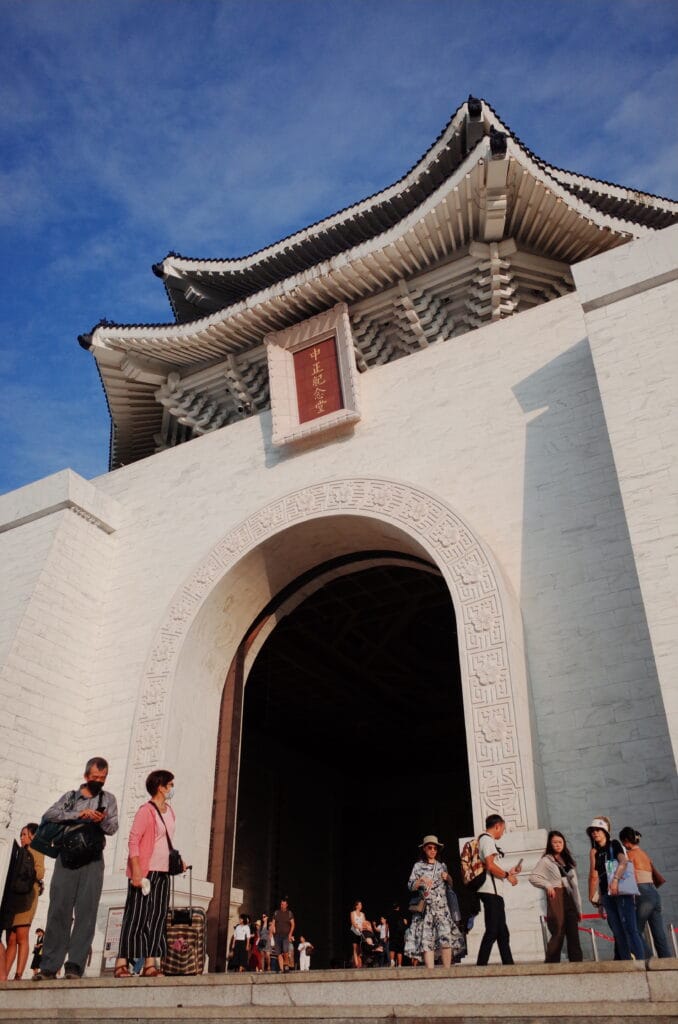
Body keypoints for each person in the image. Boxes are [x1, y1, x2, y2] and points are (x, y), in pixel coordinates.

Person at [34, 756, 118, 980]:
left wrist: (100, 819)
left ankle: (74, 965)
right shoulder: (71, 798)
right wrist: (79, 814)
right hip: (67, 858)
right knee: (59, 910)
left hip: (93, 860)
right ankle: (49, 966)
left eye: (103, 778)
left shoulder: (108, 799)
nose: (99, 781)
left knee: (87, 912)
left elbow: (113, 828)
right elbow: (49, 815)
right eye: (95, 777)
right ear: (86, 776)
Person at [113, 769, 180, 978]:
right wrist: (136, 870)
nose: (173, 788)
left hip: (164, 871)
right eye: (170, 784)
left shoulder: (170, 811)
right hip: (144, 871)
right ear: (161, 787)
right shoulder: (146, 810)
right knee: (136, 915)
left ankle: (150, 963)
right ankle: (121, 962)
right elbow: (133, 840)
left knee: (158, 916)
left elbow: (166, 841)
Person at [586, 815, 645, 961]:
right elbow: (599, 877)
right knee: (617, 932)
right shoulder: (596, 852)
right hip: (607, 896)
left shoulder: (614, 844)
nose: (595, 833)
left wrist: (615, 880)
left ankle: (641, 961)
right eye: (592, 831)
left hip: (621, 891)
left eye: (598, 830)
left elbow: (623, 862)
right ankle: (626, 962)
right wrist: (600, 903)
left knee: (630, 929)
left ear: (605, 831)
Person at [404, 834, 465, 969]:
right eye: (430, 848)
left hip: (442, 909)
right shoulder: (418, 866)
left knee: (446, 938)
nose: (433, 850)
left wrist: (447, 877)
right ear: (424, 849)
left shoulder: (442, 866)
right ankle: (430, 973)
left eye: (435, 848)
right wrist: (420, 880)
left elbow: (450, 885)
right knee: (427, 942)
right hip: (425, 911)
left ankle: (447, 971)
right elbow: (410, 886)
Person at [529, 830, 583, 963]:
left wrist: (579, 908)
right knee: (558, 930)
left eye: (560, 842)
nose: (558, 845)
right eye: (554, 842)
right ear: (550, 844)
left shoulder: (568, 861)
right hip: (556, 895)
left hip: (569, 897)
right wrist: (547, 885)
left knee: (573, 933)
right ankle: (551, 963)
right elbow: (533, 877)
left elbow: (575, 887)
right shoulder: (546, 860)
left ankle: (577, 964)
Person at [619, 826, 671, 959]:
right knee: (659, 933)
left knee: (634, 930)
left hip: (642, 892)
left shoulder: (629, 855)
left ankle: (649, 958)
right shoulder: (644, 854)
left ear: (626, 841)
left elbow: (630, 876)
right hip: (654, 892)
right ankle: (667, 961)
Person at [476, 815, 521, 966]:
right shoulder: (487, 840)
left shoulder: (486, 840)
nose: (503, 832)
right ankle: (481, 965)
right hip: (490, 892)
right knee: (493, 930)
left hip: (494, 891)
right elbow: (490, 865)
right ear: (497, 826)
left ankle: (508, 964)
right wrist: (507, 876)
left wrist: (509, 871)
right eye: (503, 828)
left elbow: (492, 866)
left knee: (502, 932)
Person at [5, 824, 45, 979]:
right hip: (13, 898)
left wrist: (27, 871)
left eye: (24, 834)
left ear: (32, 836)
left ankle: (19, 974)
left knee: (22, 935)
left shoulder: (36, 850)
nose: (21, 837)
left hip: (27, 897)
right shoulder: (19, 852)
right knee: (11, 938)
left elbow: (40, 873)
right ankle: (4, 975)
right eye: (21, 835)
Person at [271, 896, 295, 973]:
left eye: (284, 904)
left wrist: (290, 934)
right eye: (281, 904)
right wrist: (271, 933)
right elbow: (273, 923)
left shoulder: (289, 913)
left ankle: (286, 965)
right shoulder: (276, 913)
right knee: (278, 953)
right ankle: (281, 969)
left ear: (286, 905)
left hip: (286, 936)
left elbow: (293, 924)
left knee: (285, 951)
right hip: (277, 936)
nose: (282, 906)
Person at [387, 902, 407, 968]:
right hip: (400, 934)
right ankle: (399, 964)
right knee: (399, 950)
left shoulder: (389, 914)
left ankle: (392, 961)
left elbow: (387, 925)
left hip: (392, 934)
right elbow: (405, 923)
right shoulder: (401, 914)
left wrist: (386, 935)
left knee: (392, 948)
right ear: (398, 907)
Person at [349, 899, 367, 968]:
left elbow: (364, 923)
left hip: (360, 933)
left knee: (360, 949)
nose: (361, 906)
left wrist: (365, 927)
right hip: (354, 932)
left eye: (361, 905)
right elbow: (353, 923)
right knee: (355, 948)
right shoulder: (352, 913)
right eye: (359, 904)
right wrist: (358, 927)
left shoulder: (363, 914)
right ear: (356, 906)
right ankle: (356, 964)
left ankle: (359, 963)